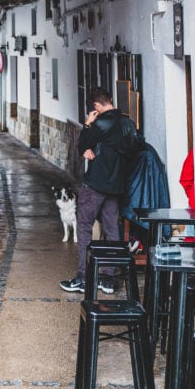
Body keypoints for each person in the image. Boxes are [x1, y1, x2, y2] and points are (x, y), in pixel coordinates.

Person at [60, 88, 138, 294]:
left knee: (84, 227)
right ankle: (109, 279)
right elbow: (130, 150)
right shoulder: (128, 124)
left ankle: (84, 277)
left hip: (95, 185)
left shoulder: (100, 124)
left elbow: (83, 144)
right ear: (110, 100)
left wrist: (87, 125)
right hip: (116, 186)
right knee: (112, 230)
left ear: (96, 106)